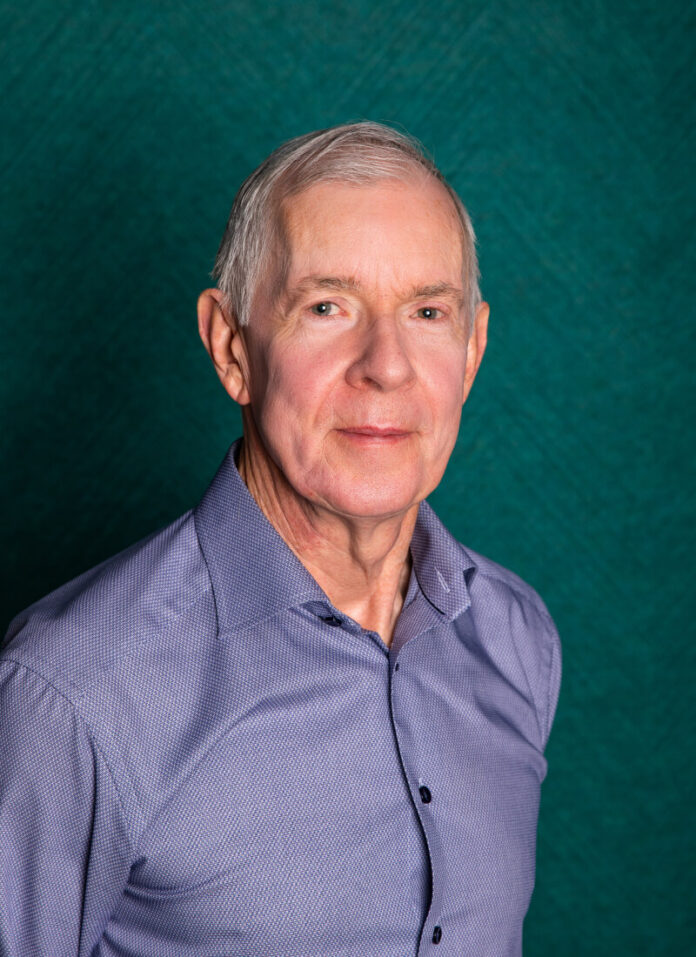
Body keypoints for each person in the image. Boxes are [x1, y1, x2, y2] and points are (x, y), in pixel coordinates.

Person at [0, 122, 561, 956]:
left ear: (472, 350)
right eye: (327, 306)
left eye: (426, 311)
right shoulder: (72, 692)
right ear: (232, 349)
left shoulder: (516, 640)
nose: (386, 364)